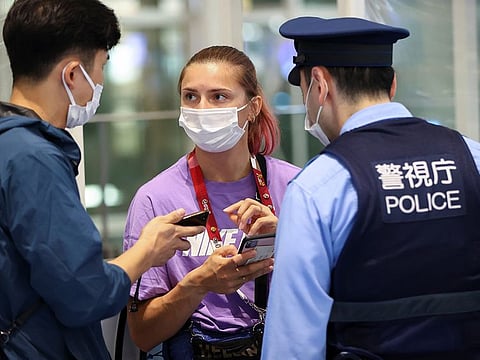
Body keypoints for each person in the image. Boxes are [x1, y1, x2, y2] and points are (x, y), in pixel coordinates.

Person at [262, 16, 480, 360]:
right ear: (391, 84)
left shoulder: (318, 187)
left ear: (319, 85)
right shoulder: (471, 157)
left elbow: (292, 344)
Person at [0, 1, 204, 359]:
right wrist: (147, 251)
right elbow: (83, 293)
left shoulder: (10, 143)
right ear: (73, 75)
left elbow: (51, 271)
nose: (101, 82)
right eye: (102, 68)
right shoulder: (35, 159)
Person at [123, 45, 301, 359]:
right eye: (190, 97)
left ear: (252, 107)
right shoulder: (155, 199)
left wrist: (290, 237)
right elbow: (143, 334)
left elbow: (338, 293)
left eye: (219, 97)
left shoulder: (295, 187)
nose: (202, 109)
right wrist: (198, 285)